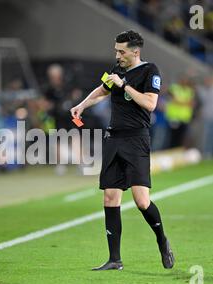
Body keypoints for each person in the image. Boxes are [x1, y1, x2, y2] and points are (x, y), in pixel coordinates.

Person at [70, 30, 174, 270]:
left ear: (135, 52)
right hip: (114, 138)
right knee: (110, 198)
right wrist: (82, 105)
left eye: (121, 51)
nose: (117, 55)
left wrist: (125, 85)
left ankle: (162, 240)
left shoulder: (150, 71)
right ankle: (114, 259)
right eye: (116, 50)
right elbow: (102, 90)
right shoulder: (116, 70)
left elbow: (150, 103)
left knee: (141, 200)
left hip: (137, 139)